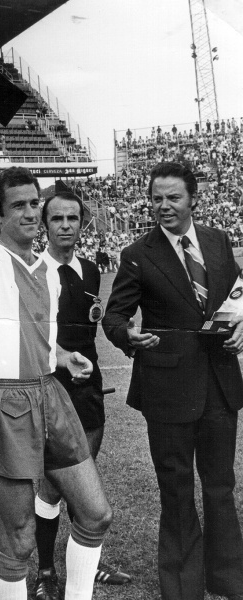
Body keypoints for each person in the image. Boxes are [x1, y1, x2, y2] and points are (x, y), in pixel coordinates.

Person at [0, 63, 112, 600]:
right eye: (19, 206)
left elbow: (33, 334)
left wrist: (62, 357)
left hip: (50, 391)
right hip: (6, 400)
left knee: (95, 514)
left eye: (35, 203)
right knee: (17, 539)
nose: (32, 213)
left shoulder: (47, 267)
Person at [102, 162, 243, 600]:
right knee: (177, 489)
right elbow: (114, 316)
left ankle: (229, 579)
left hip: (219, 383)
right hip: (167, 390)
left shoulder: (219, 241)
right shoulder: (137, 254)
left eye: (173, 197)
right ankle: (183, 588)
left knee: (220, 486)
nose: (164, 205)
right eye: (157, 198)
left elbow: (236, 297)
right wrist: (126, 335)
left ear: (193, 199)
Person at [33, 191, 131, 599]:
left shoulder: (90, 270)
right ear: (45, 224)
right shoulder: (34, 271)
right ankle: (45, 570)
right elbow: (31, 336)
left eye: (72, 218)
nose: (65, 225)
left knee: (84, 476)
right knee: (52, 485)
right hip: (51, 387)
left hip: (89, 387)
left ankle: (86, 561)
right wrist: (62, 360)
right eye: (57, 218)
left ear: (81, 223)